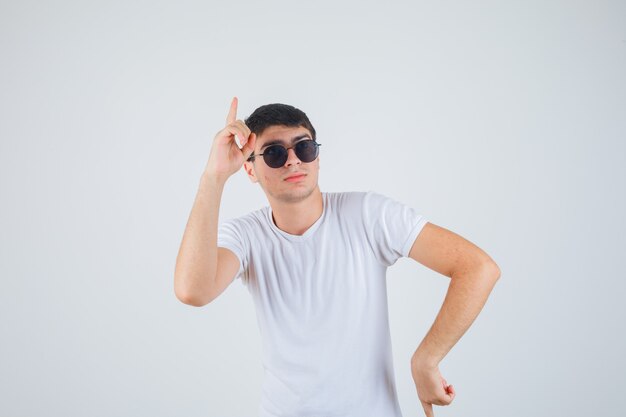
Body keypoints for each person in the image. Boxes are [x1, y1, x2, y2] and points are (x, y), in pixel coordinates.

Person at [174, 97, 501, 417]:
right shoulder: (246, 235)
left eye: (303, 147)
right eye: (274, 153)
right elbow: (193, 290)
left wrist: (426, 359)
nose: (293, 161)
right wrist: (213, 177)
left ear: (316, 156)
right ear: (250, 168)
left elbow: (477, 267)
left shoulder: (368, 214)